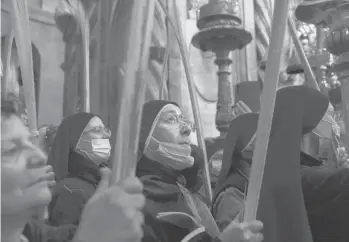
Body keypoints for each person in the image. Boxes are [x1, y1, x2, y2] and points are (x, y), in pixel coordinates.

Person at [213, 85, 349, 242]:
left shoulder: (310, 172)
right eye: (329, 116)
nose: (339, 127)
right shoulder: (289, 182)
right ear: (305, 125)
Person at [1, 99, 145, 242]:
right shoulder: (71, 190)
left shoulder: (34, 234)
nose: (40, 157)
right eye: (11, 150)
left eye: (29, 143)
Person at [137, 100, 263, 242]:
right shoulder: (140, 200)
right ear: (144, 135)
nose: (187, 129)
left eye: (183, 120)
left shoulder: (184, 191)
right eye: (171, 119)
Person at [47, 113, 112, 227]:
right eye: (97, 130)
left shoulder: (97, 179)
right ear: (74, 141)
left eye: (105, 130)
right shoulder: (71, 191)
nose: (106, 135)